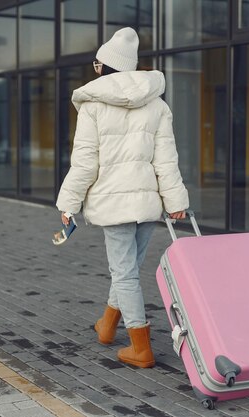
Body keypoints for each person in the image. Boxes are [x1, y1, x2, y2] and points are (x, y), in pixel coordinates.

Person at [56, 27, 189, 368]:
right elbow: (166, 160)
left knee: (124, 273)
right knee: (127, 271)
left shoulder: (93, 106)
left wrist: (68, 204)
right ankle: (107, 327)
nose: (94, 67)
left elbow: (85, 162)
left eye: (96, 62)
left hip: (114, 206)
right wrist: (175, 202)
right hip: (147, 206)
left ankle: (140, 348)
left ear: (103, 66)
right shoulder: (156, 105)